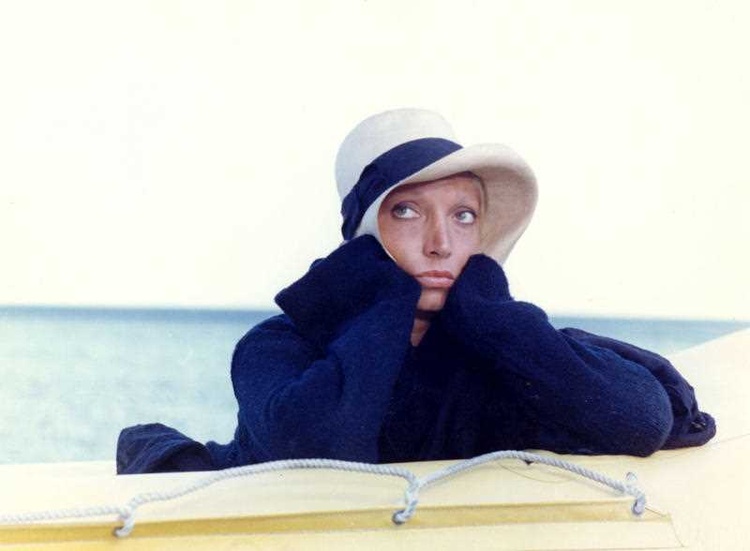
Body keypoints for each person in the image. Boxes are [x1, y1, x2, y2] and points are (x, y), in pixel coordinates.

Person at [117, 108, 715, 474]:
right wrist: (386, 296)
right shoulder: (276, 347)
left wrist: (490, 306)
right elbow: (326, 453)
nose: (440, 243)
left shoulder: (495, 342)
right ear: (365, 238)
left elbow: (641, 419)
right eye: (406, 211)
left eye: (463, 216)